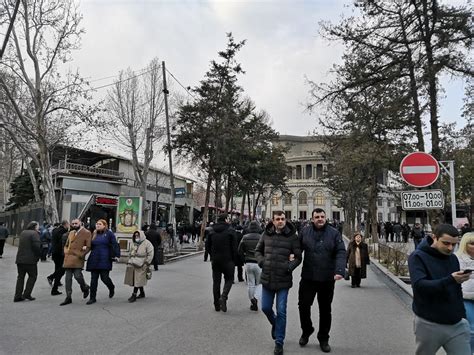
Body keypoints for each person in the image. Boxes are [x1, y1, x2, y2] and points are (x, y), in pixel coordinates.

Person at [408, 224, 470, 355]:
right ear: (434, 238)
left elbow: (456, 290)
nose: (450, 248)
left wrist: (463, 316)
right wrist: (451, 280)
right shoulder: (417, 256)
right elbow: (419, 286)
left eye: (454, 245)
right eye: (446, 243)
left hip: (457, 323)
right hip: (428, 322)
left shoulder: (453, 258)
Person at [298, 208, 346, 353]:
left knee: (325, 310)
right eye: (317, 217)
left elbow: (341, 252)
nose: (320, 219)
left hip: (327, 278)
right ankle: (307, 330)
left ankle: (323, 338)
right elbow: (296, 248)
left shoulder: (334, 233)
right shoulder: (305, 232)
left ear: (326, 218)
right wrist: (291, 257)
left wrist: (339, 270)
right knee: (303, 306)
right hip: (308, 277)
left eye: (322, 216)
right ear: (312, 219)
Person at [255, 211, 302, 355]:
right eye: (277, 219)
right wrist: (262, 262)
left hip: (283, 280)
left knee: (281, 311)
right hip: (267, 278)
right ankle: (275, 324)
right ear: (273, 221)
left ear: (285, 220)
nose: (280, 221)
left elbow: (298, 257)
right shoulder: (266, 234)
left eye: (282, 219)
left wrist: (289, 267)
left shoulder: (292, 237)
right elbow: (257, 251)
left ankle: (279, 342)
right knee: (265, 308)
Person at [206, 214, 238, 312]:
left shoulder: (211, 231)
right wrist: (234, 260)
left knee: (216, 282)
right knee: (229, 279)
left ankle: (216, 305)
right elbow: (234, 247)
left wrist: (212, 255)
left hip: (215, 260)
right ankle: (223, 297)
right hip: (228, 260)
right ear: (226, 219)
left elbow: (207, 246)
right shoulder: (231, 231)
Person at [85, 219, 120, 305]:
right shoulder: (94, 233)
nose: (97, 225)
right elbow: (90, 245)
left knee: (104, 278)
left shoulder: (109, 234)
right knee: (93, 279)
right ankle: (92, 298)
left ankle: (111, 287)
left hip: (105, 258)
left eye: (99, 224)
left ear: (104, 225)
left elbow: (115, 244)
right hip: (94, 258)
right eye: (97, 224)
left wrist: (117, 255)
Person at [60, 218, 92, 306]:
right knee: (68, 278)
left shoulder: (87, 232)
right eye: (73, 224)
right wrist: (66, 251)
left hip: (78, 258)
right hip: (68, 258)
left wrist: (81, 255)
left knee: (78, 276)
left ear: (80, 223)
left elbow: (88, 246)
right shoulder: (71, 233)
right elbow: (66, 244)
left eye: (76, 223)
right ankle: (68, 297)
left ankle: (85, 287)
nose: (74, 225)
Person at [238, 220, 263, 311]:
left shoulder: (245, 237)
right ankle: (256, 299)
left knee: (250, 284)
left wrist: (244, 259)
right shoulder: (262, 237)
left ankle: (252, 300)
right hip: (259, 263)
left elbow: (239, 251)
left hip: (248, 263)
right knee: (258, 284)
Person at [14, 221, 41, 302]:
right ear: (35, 227)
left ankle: (17, 296)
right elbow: (36, 246)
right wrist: (38, 256)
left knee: (20, 277)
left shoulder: (23, 232)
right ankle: (27, 294)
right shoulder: (34, 234)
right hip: (30, 260)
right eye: (38, 226)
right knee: (33, 276)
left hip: (20, 259)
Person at [456, 232, 474, 353]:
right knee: (471, 329)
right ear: (464, 244)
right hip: (466, 298)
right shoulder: (457, 258)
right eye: (472, 244)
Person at [124, 230, 154, 302]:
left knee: (138, 279)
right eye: (135, 236)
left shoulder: (147, 243)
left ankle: (134, 294)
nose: (136, 237)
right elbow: (130, 252)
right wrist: (129, 259)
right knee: (136, 279)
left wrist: (147, 262)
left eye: (138, 235)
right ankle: (142, 292)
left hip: (142, 263)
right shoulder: (134, 243)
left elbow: (150, 253)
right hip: (133, 262)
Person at [47, 220, 69, 295]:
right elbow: (62, 243)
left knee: (58, 268)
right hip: (60, 253)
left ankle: (56, 282)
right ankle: (52, 278)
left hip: (54, 252)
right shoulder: (64, 231)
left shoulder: (55, 230)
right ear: (65, 225)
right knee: (62, 269)